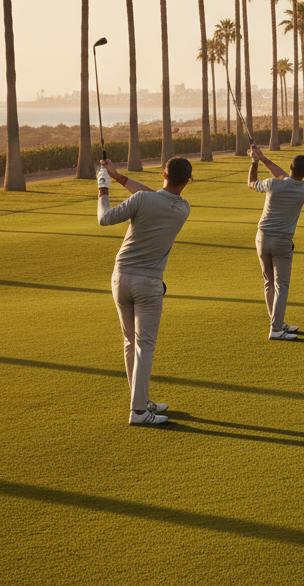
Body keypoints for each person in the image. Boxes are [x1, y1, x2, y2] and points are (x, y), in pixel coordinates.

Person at [97, 155, 193, 427]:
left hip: (120, 278)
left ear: (164, 173)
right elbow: (156, 198)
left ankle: (140, 401)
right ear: (186, 181)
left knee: (130, 343)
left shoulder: (143, 200)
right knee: (145, 346)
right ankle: (139, 412)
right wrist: (118, 178)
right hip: (148, 285)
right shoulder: (183, 209)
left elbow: (104, 218)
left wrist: (105, 185)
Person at [248, 143, 304, 340]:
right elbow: (283, 176)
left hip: (262, 238)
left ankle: (277, 323)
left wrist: (255, 161)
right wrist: (263, 158)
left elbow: (251, 182)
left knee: (269, 282)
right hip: (282, 242)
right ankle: (276, 329)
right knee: (281, 285)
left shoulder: (272, 184)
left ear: (291, 167)